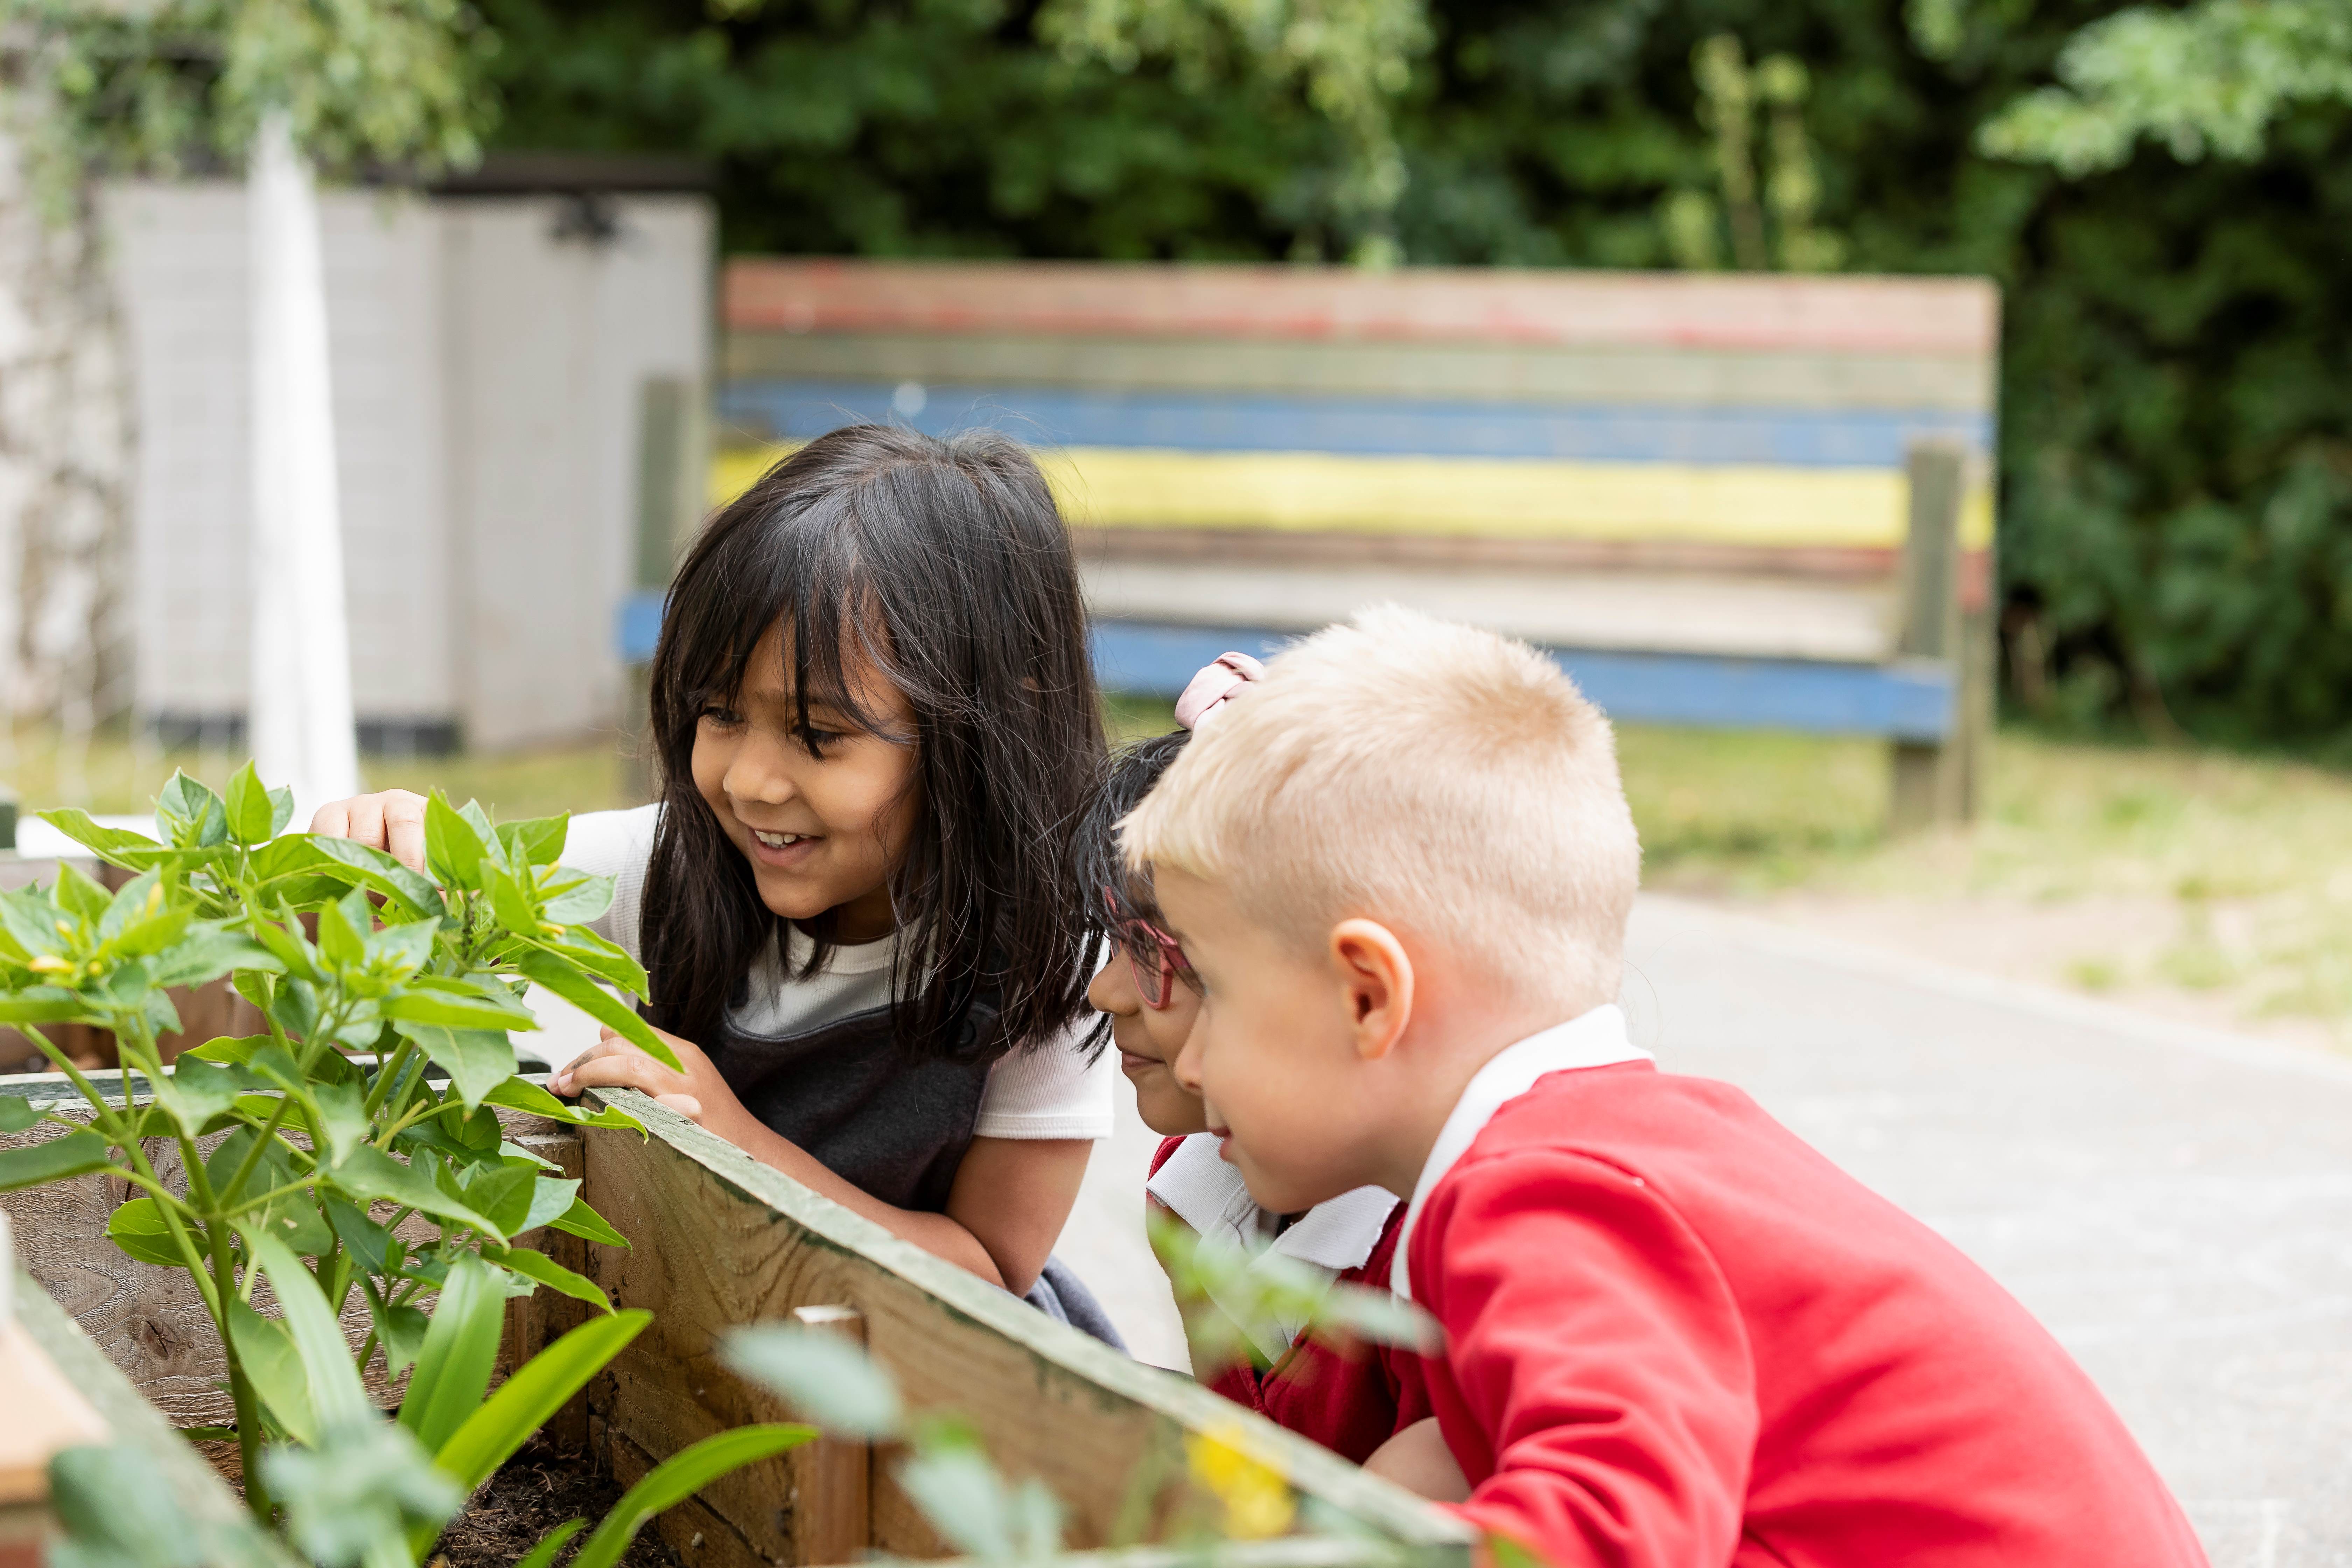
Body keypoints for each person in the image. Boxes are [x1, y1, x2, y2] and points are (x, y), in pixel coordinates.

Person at [1115, 604, 2210, 1567]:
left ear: (1369, 998)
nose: (1196, 1060)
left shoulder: (1542, 1192)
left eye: (1211, 988)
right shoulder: (1619, 1148)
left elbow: (1604, 1540)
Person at [311, 425, 1122, 1339]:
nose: (748, 782)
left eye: (818, 734)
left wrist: (736, 1143)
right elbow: (457, 870)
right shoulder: (669, 871)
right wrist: (387, 845)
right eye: (721, 713)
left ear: (985, 726)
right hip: (707, 1361)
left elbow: (990, 1275)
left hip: (936, 1400)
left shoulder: (1051, 959)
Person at [1076, 652, 1430, 1463]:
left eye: (1154, 949)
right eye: (1113, 940)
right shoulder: (1190, 1182)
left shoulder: (1437, 1258)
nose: (1105, 993)